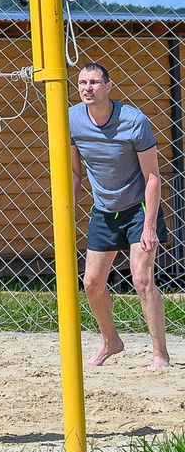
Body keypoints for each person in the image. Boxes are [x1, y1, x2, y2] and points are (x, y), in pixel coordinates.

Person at [69, 61, 168, 370]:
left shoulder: (134, 121)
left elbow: (153, 177)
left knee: (142, 279)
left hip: (139, 207)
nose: (87, 88)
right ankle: (111, 341)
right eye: (82, 82)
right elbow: (74, 173)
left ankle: (160, 355)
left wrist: (149, 227)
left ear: (108, 86)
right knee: (92, 284)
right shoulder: (71, 119)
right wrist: (68, 213)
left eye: (95, 82)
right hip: (103, 209)